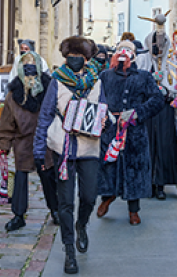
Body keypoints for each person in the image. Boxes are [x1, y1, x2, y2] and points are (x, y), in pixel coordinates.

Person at [33, 36, 105, 274]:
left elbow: (103, 110)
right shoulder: (56, 82)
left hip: (89, 148)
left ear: (86, 60)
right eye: (70, 57)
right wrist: (39, 149)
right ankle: (69, 251)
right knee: (65, 202)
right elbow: (45, 116)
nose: (74, 60)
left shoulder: (96, 82)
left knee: (88, 197)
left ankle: (81, 225)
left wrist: (104, 122)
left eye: (79, 57)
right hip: (63, 149)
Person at [96, 40, 164, 225]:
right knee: (109, 166)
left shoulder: (144, 77)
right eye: (120, 49)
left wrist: (137, 113)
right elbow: (96, 99)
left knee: (134, 168)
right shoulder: (105, 76)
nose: (124, 52)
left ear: (135, 54)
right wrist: (102, 117)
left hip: (135, 131)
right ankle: (107, 198)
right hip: (110, 129)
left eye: (128, 50)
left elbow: (158, 99)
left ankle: (134, 210)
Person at [0, 51, 59, 231]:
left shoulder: (49, 90)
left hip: (45, 142)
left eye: (33, 70)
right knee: (20, 178)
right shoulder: (13, 95)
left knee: (48, 177)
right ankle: (18, 214)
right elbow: (7, 122)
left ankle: (55, 210)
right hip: (23, 143)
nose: (30, 76)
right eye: (27, 71)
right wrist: (4, 145)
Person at [136, 19, 177, 200]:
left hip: (164, 108)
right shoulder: (142, 59)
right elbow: (137, 82)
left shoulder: (172, 61)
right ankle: (147, 182)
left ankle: (161, 183)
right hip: (148, 108)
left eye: (163, 43)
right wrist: (149, 77)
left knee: (164, 145)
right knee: (147, 145)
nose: (160, 47)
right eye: (157, 43)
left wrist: (167, 86)